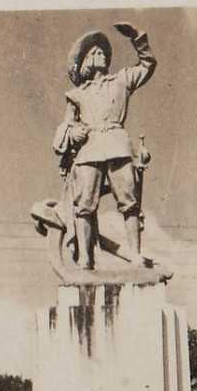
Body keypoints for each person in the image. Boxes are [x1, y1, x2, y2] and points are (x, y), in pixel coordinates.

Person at [53, 22, 157, 269]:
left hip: (118, 145)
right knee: (84, 205)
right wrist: (73, 132)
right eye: (95, 53)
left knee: (129, 203)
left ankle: (135, 255)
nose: (102, 55)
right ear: (87, 60)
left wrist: (136, 38)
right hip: (89, 151)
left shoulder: (121, 80)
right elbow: (65, 127)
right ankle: (86, 260)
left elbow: (148, 64)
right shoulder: (77, 94)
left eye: (103, 52)